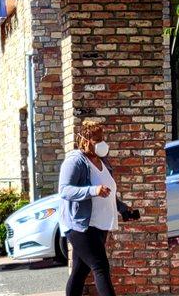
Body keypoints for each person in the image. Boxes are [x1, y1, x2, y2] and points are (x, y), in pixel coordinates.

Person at [58, 119, 138, 296]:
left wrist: (123, 208)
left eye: (102, 139)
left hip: (99, 224)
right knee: (100, 266)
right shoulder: (75, 161)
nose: (102, 143)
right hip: (80, 225)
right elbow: (65, 190)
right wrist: (93, 190)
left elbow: (107, 191)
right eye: (97, 140)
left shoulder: (103, 161)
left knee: (80, 272)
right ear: (85, 141)